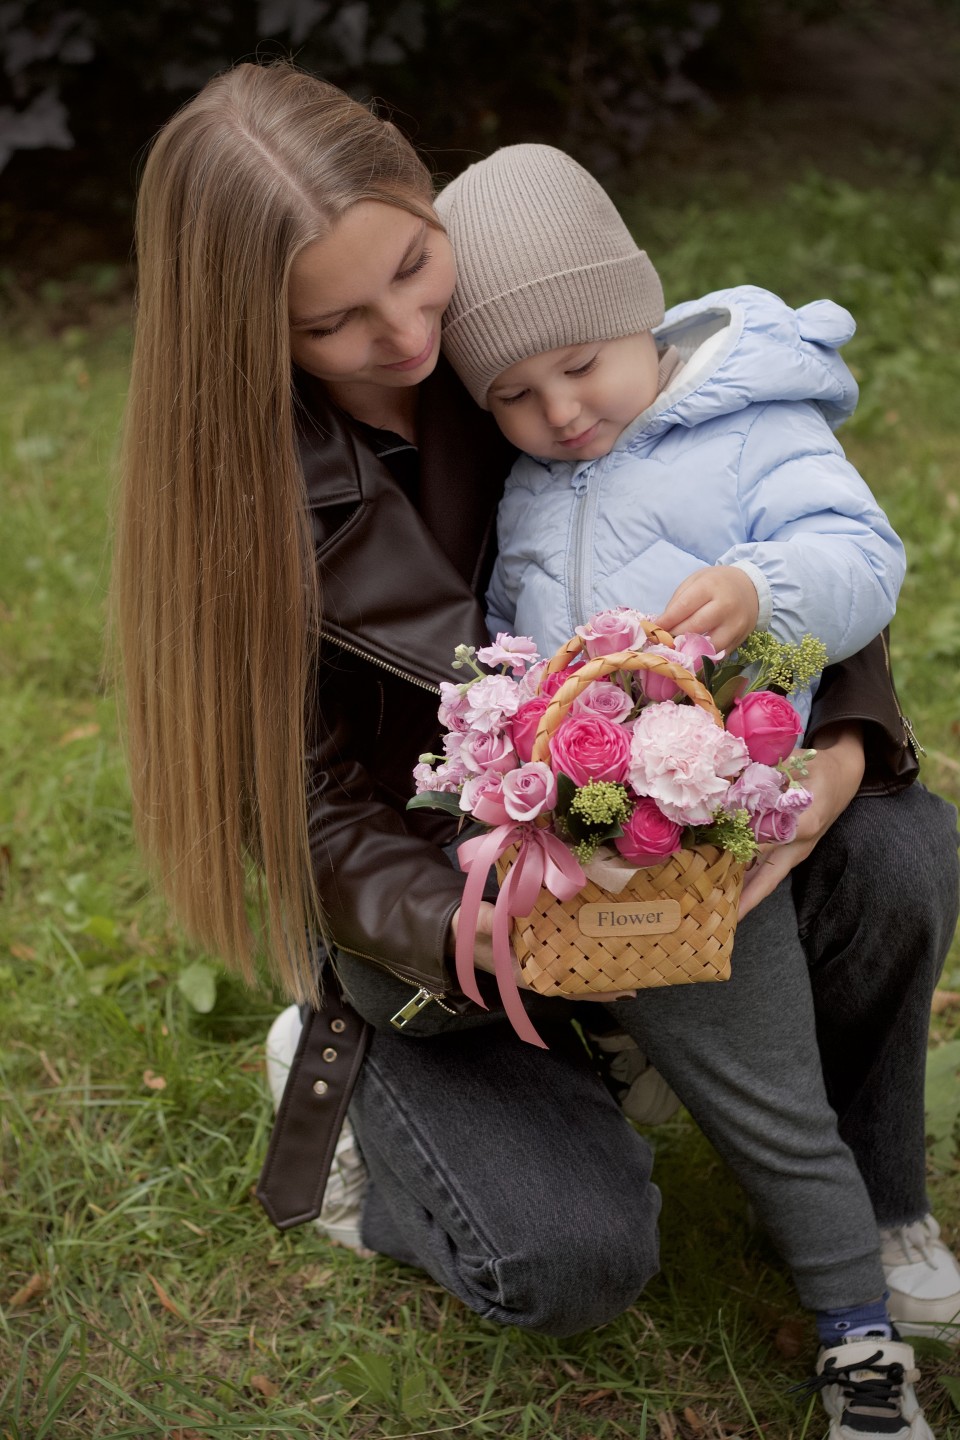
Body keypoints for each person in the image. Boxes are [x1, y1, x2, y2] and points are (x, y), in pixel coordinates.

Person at [112, 61, 960, 1438]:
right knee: (565, 1263)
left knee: (903, 847)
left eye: (411, 266)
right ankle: (345, 1091)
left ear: (424, 196)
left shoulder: (521, 322)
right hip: (452, 920)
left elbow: (744, 503)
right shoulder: (244, 501)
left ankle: (853, 1201)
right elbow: (311, 810)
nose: (404, 335)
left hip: (646, 840)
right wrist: (478, 923)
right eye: (335, 322)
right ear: (255, 338)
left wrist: (850, 736)